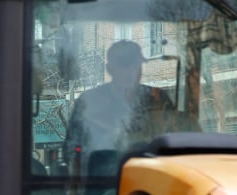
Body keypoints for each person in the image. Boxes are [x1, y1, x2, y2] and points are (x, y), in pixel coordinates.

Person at [63, 40, 186, 170]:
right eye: (124, 64)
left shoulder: (158, 99)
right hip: (101, 182)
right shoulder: (89, 102)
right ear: (109, 69)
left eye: (135, 65)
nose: (131, 70)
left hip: (153, 176)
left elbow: (175, 139)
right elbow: (71, 150)